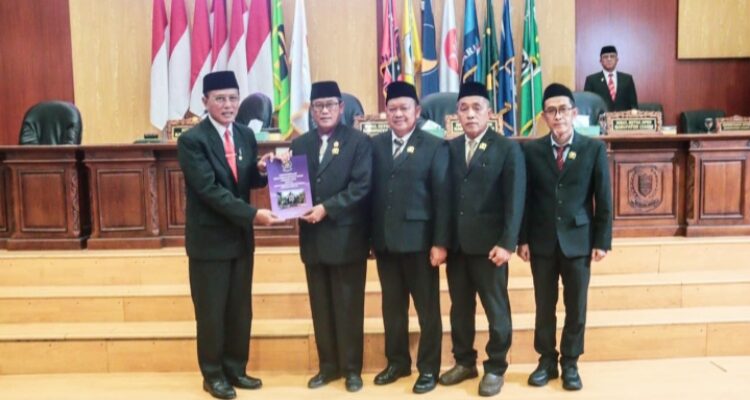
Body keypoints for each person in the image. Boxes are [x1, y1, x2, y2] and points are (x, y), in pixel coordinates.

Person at [177, 71, 283, 400]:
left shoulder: (244, 135)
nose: (228, 105)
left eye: (233, 98)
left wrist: (264, 170)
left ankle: (236, 369)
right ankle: (213, 375)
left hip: (239, 240)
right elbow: (210, 190)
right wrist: (253, 215)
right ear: (205, 101)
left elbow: (245, 179)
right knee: (211, 312)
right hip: (209, 242)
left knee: (239, 309)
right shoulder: (192, 141)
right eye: (220, 99)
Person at [517, 83, 613, 391]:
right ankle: (546, 360)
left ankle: (570, 362)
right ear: (544, 117)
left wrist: (602, 240)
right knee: (544, 305)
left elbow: (604, 198)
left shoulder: (593, 149)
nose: (558, 116)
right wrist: (522, 238)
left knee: (576, 306)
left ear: (574, 112)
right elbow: (524, 199)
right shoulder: (531, 151)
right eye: (551, 111)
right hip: (541, 241)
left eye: (563, 110)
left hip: (579, 240)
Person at [438, 81, 526, 397]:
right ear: (456, 114)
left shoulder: (507, 148)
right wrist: (442, 241)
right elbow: (443, 200)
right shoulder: (448, 149)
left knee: (495, 310)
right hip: (458, 247)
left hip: (491, 248)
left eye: (477, 108)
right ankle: (464, 362)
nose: (471, 114)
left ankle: (496, 367)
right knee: (460, 309)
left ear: (489, 112)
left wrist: (508, 243)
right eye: (464, 109)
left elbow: (515, 199)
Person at [289, 81, 372, 393]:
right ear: (311, 110)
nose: (324, 111)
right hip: (313, 240)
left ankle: (351, 369)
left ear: (341, 107)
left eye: (330, 105)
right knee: (321, 306)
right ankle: (328, 367)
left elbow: (361, 187)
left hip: (346, 238)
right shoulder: (300, 144)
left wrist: (327, 208)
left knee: (349, 307)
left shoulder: (359, 142)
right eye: (318, 105)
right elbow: (292, 186)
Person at [370, 82, 450, 394]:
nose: (398, 114)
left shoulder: (434, 145)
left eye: (404, 108)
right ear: (385, 113)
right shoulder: (374, 145)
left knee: (427, 311)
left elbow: (442, 198)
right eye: (392, 109)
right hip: (385, 242)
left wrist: (440, 242)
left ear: (417, 111)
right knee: (392, 308)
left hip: (420, 243)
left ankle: (428, 368)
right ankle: (397, 362)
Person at [583, 45, 638, 111]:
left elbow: (634, 105)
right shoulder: (591, 80)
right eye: (605, 57)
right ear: (600, 61)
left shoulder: (627, 79)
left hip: (623, 117)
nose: (609, 59)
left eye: (612, 56)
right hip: (601, 117)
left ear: (617, 60)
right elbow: (587, 104)